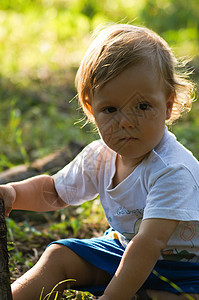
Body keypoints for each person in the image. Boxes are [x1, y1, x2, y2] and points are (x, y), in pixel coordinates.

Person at [0, 23, 199, 300]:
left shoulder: (173, 169)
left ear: (167, 105)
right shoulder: (99, 157)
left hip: (185, 267)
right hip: (125, 250)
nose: (126, 122)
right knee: (59, 257)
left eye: (142, 106)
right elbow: (54, 193)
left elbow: (149, 244)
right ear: (91, 109)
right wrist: (13, 193)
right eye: (111, 109)